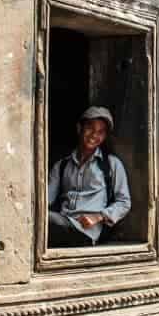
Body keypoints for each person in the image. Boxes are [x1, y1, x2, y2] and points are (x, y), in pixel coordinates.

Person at [47, 106, 132, 247]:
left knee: (46, 220)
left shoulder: (112, 164)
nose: (94, 135)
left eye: (101, 132)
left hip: (86, 231)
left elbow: (124, 202)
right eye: (90, 128)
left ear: (105, 137)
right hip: (61, 222)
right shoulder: (61, 166)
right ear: (79, 128)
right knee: (39, 217)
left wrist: (98, 216)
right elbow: (45, 200)